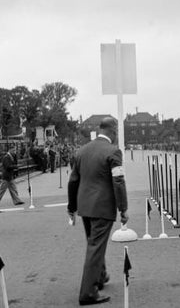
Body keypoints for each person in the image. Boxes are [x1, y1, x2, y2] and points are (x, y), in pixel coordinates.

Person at [67, 117, 129, 306]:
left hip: (85, 207)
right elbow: (118, 181)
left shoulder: (82, 151)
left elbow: (73, 180)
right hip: (102, 207)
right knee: (95, 247)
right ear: (113, 131)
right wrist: (123, 208)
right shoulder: (113, 152)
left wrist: (72, 207)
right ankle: (88, 293)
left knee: (94, 243)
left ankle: (100, 276)